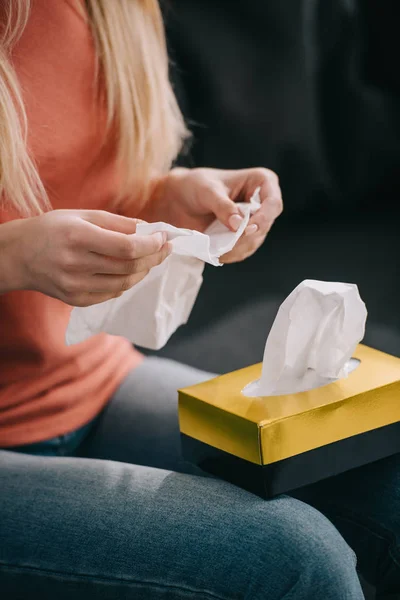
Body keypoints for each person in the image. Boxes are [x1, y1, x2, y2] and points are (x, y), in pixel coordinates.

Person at [0, 2, 395, 599]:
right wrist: (12, 258)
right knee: (291, 558)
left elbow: (63, 184)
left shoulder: (102, 11)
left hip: (89, 381)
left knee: (389, 477)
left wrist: (168, 198)